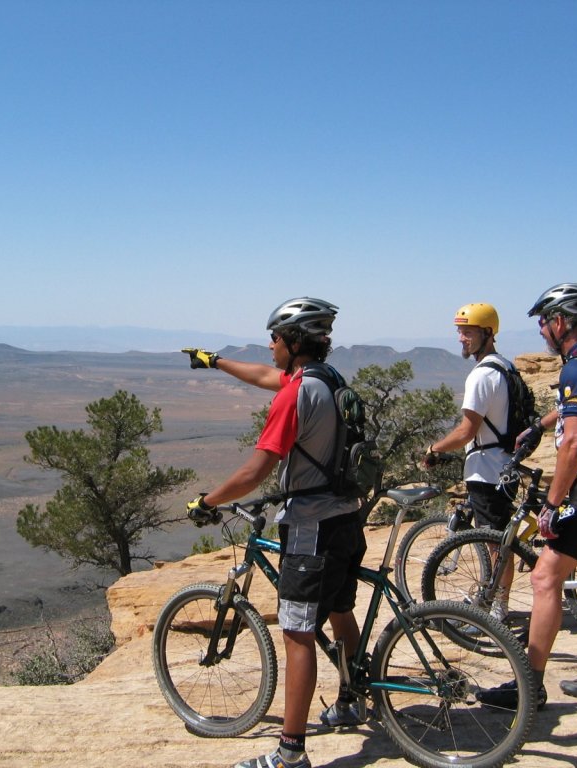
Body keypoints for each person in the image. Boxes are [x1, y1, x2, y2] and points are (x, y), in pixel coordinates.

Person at [183, 297, 366, 768]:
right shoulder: (328, 381)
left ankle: (290, 753)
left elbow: (255, 472)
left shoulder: (295, 394)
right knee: (341, 609)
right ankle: (351, 698)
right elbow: (268, 378)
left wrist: (207, 501)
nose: (269, 346)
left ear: (293, 342)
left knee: (298, 634)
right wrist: (216, 361)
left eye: (275, 339)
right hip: (347, 516)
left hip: (312, 528)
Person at [479, 282, 577, 711]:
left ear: (560, 322)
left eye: (544, 323)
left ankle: (528, 687)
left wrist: (552, 503)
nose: (542, 332)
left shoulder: (575, 369)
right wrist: (542, 424)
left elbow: (576, 442)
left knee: (545, 578)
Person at [422, 303, 519, 622]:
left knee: (494, 542)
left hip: (487, 470)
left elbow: (466, 431)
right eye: (460, 332)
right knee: (497, 537)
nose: (461, 338)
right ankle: (493, 598)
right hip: (505, 465)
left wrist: (434, 448)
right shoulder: (505, 367)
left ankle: (497, 610)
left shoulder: (482, 376)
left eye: (468, 332)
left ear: (487, 333)